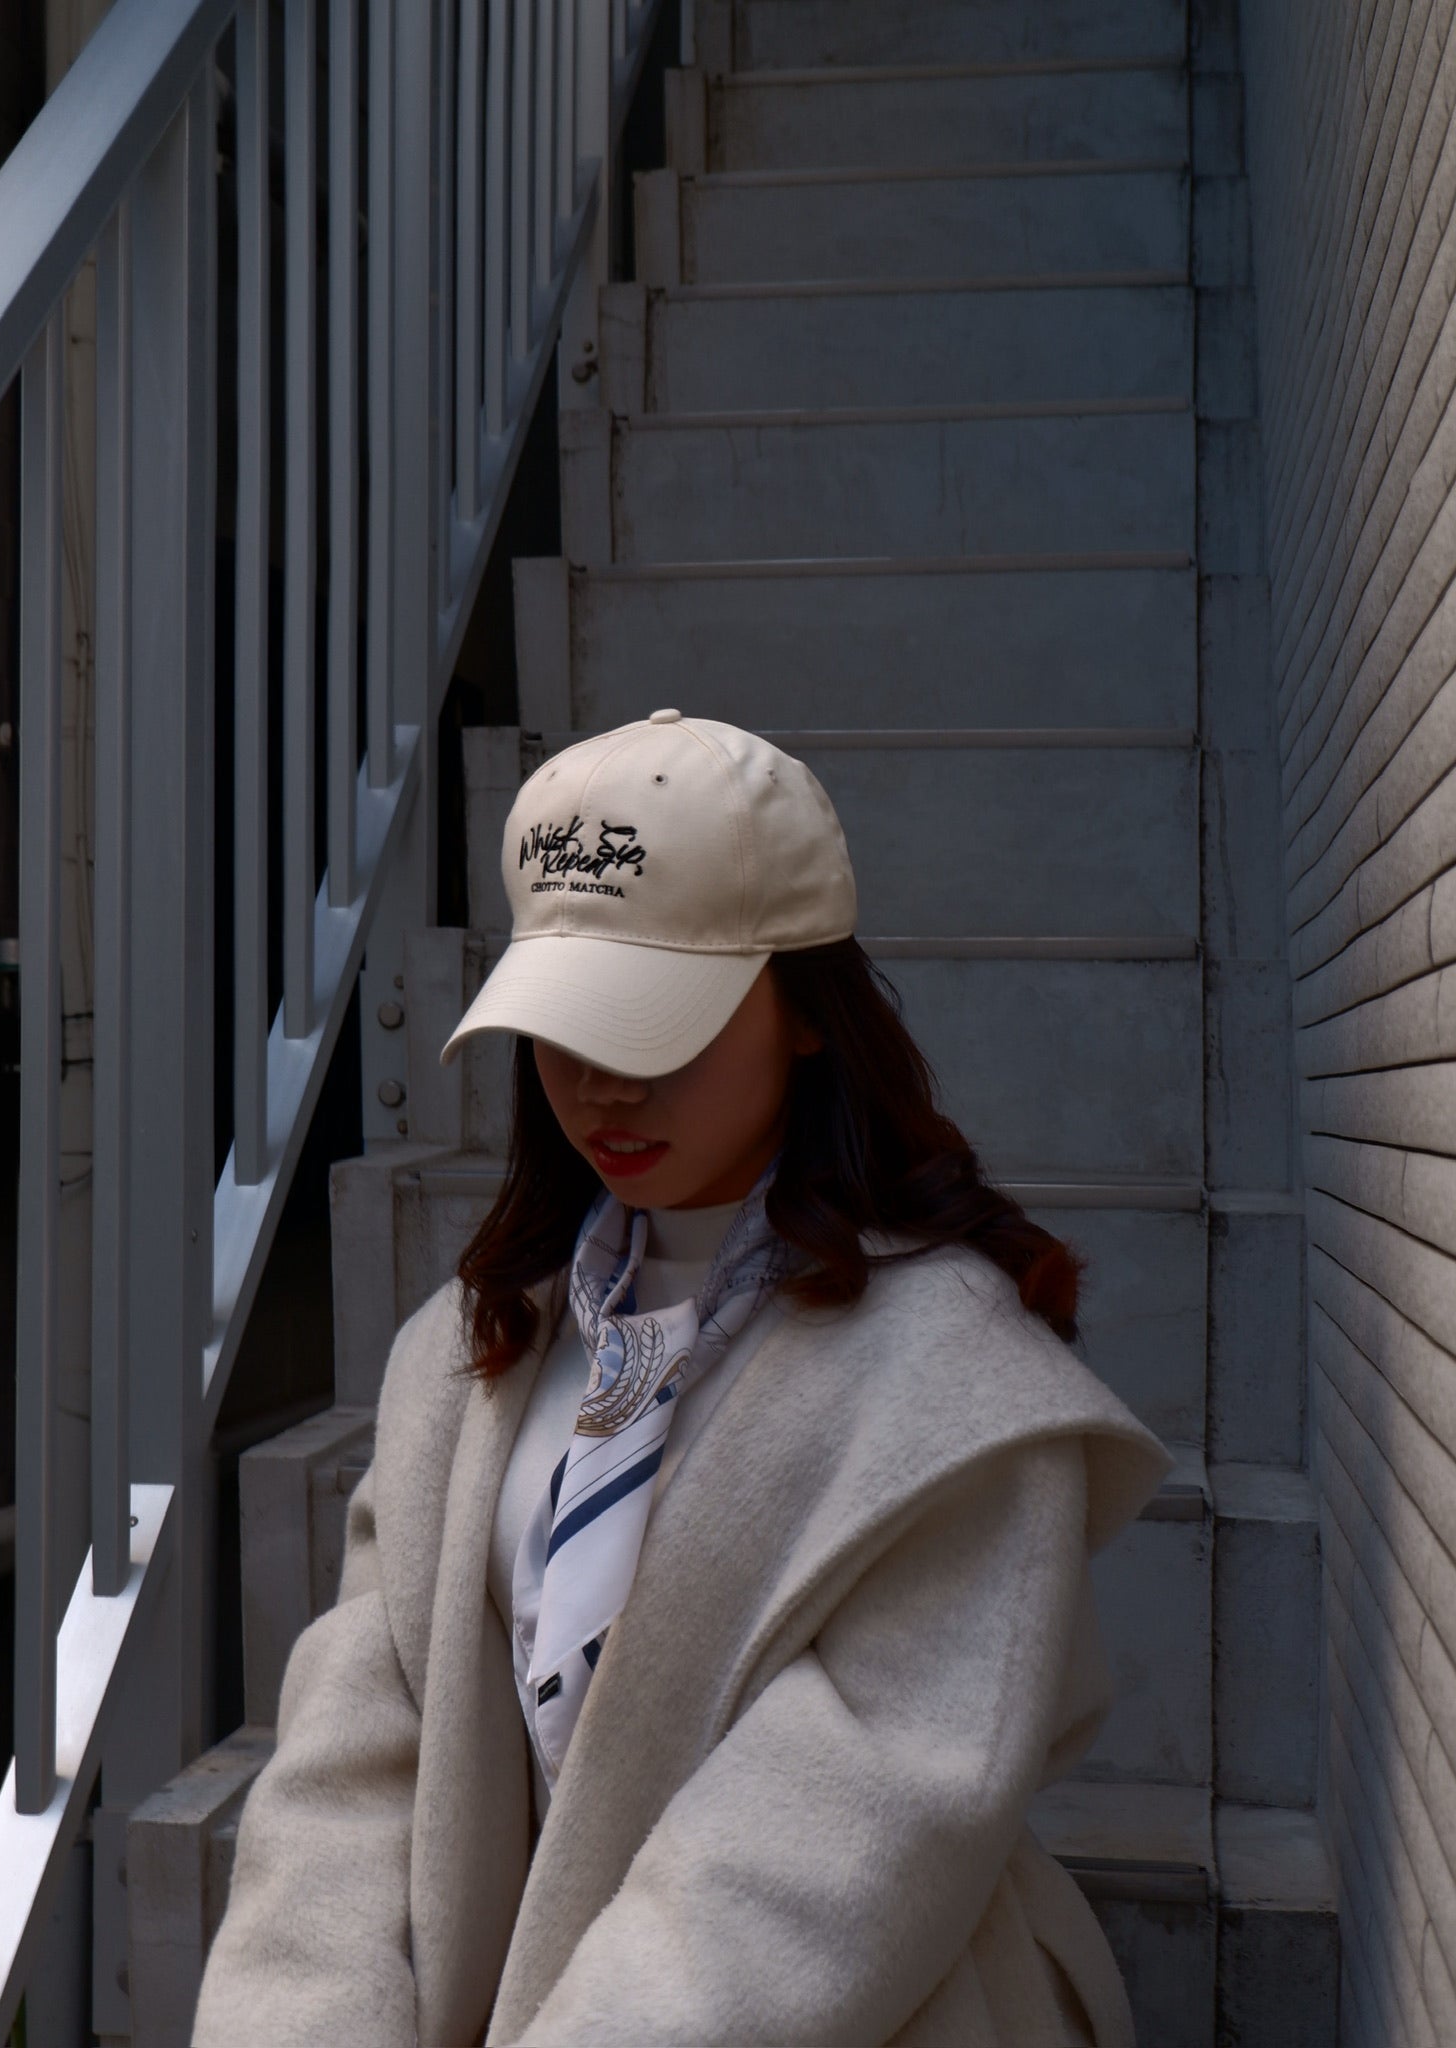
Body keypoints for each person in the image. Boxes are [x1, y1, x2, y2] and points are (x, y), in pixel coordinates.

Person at [193, 710, 1170, 2046]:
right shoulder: (467, 1354)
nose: (600, 1086)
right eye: (560, 1028)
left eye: (657, 1026)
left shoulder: (951, 1384)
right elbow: (350, 1768)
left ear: (808, 1011)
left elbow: (833, 1841)